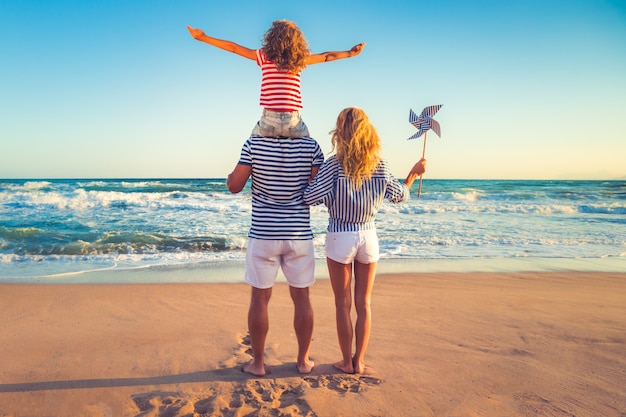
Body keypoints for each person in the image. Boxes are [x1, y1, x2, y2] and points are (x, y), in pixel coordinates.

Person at [303, 107, 426, 374]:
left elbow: (309, 197)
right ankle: (359, 362)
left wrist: (314, 175)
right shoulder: (379, 164)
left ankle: (346, 361)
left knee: (342, 304)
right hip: (368, 236)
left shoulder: (333, 164)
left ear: (341, 131)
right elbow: (400, 195)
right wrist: (413, 174)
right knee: (364, 303)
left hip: (340, 235)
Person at [226, 132, 324, 376]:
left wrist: (233, 175)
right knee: (302, 299)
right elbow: (317, 192)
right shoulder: (311, 146)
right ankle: (303, 362)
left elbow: (234, 186)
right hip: (298, 235)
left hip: (263, 234)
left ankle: (258, 364)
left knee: (259, 299)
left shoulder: (253, 143)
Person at [187, 20, 365, 138]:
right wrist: (350, 53)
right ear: (297, 42)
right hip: (293, 121)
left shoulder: (264, 56)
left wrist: (203, 38)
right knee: (312, 153)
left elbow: (233, 47)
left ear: (271, 37)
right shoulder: (300, 59)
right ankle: (314, 187)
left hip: (268, 120)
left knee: (250, 150)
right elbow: (326, 56)